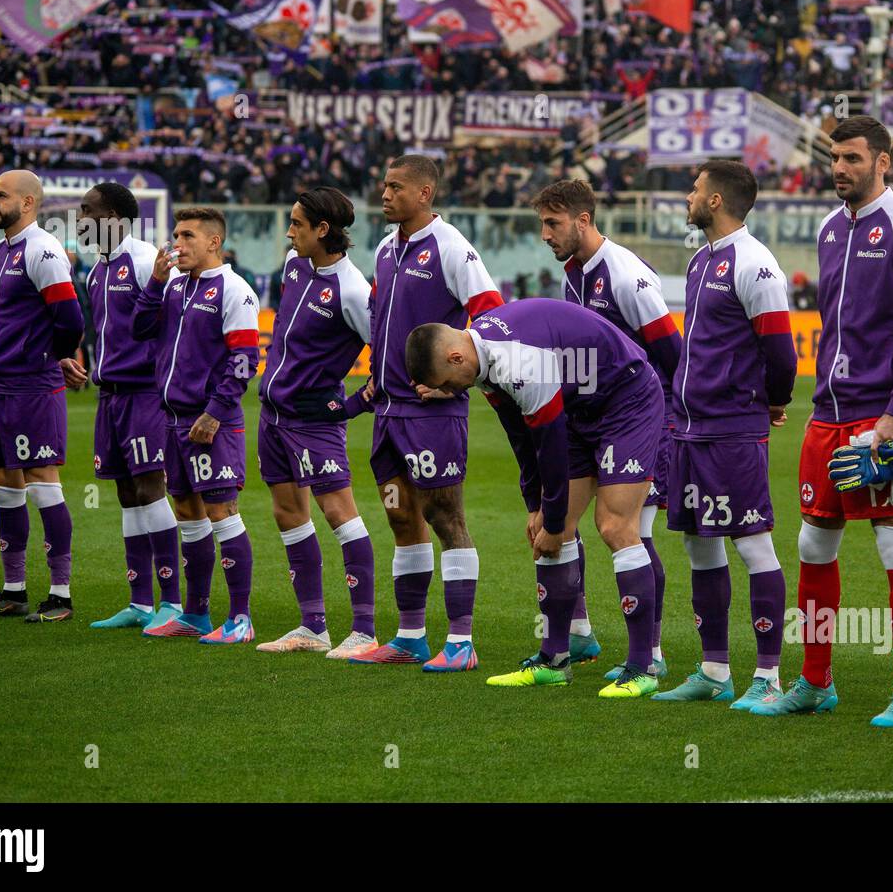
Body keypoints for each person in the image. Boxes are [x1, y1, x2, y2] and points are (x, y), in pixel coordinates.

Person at [755, 116, 893, 726]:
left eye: (853, 159)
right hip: (828, 411)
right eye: (835, 158)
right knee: (812, 541)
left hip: (882, 414)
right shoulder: (832, 227)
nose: (839, 168)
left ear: (883, 162)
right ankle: (815, 680)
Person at [404, 299, 666, 698]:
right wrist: (536, 508)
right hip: (578, 405)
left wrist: (555, 521)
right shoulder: (483, 362)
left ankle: (643, 667)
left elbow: (551, 446)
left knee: (614, 526)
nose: (447, 391)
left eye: (444, 382)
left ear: (456, 357)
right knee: (549, 527)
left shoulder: (518, 362)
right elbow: (520, 439)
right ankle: (554, 660)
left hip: (625, 401)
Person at [343, 155, 504, 670]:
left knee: (445, 517)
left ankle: (461, 643)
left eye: (395, 187)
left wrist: (463, 378)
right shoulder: (387, 249)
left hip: (432, 415)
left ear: (425, 193)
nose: (384, 194)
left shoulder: (452, 247)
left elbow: (492, 316)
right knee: (400, 517)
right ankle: (410, 635)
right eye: (384, 185)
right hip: (388, 415)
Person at [652, 160, 797, 707]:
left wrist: (771, 402)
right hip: (690, 428)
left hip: (733, 429)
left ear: (716, 200)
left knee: (753, 544)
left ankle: (769, 676)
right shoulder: (699, 262)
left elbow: (780, 352)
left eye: (695, 189)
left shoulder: (755, 263)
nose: (688, 196)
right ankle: (714, 670)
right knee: (699, 545)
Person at [535, 178, 683, 677]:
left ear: (583, 221)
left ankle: (652, 655)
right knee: (553, 526)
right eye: (542, 224)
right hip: (588, 419)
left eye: (553, 224)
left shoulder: (623, 272)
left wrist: (671, 419)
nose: (545, 235)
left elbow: (670, 353)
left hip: (639, 417)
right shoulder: (573, 275)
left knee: (629, 530)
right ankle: (571, 641)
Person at [254, 187, 378, 659]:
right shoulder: (294, 266)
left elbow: (385, 356)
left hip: (314, 421)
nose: (289, 232)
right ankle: (313, 627)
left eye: (297, 225)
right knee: (288, 514)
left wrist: (351, 406)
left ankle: (364, 631)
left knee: (338, 514)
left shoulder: (352, 290)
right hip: (273, 415)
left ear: (323, 230)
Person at [131, 207, 261, 644]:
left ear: (213, 242)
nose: (177, 244)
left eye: (187, 236)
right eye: (175, 236)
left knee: (222, 512)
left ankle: (240, 618)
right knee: (187, 513)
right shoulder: (172, 288)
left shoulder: (235, 290)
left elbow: (245, 361)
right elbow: (139, 328)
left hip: (211, 423)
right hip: (172, 420)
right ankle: (196, 614)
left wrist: (215, 413)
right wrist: (153, 282)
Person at [63, 182, 182, 632]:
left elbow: (170, 326)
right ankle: (140, 602)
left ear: (113, 216)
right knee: (127, 494)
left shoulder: (147, 261)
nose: (80, 218)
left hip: (145, 395)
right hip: (109, 397)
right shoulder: (97, 271)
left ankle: (171, 602)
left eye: (87, 210)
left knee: (151, 487)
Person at [0, 170, 85, 623]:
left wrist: (50, 356)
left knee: (43, 483)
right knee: (4, 483)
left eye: (1, 195)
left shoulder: (42, 250)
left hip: (32, 388)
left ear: (28, 203)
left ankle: (60, 595)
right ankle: (14, 588)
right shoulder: (0, 252)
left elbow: (71, 317)